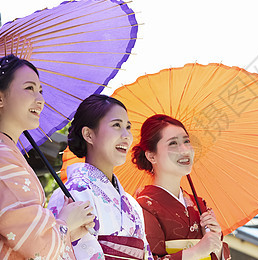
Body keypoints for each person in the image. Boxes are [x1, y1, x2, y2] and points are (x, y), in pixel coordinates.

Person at [0, 54, 95, 259]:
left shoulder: (10, 152)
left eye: (40, 90)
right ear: (0, 97)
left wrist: (68, 226)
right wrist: (65, 221)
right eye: (29, 88)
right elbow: (34, 243)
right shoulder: (3, 156)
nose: (40, 99)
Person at [48, 94, 152, 260]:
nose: (126, 135)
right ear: (89, 135)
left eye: (128, 127)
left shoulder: (132, 205)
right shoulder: (73, 194)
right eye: (116, 125)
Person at [132, 114, 231, 260]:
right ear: (151, 156)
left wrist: (216, 244)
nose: (185, 150)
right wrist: (196, 252)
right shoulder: (143, 206)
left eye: (187, 141)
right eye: (173, 143)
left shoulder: (199, 205)